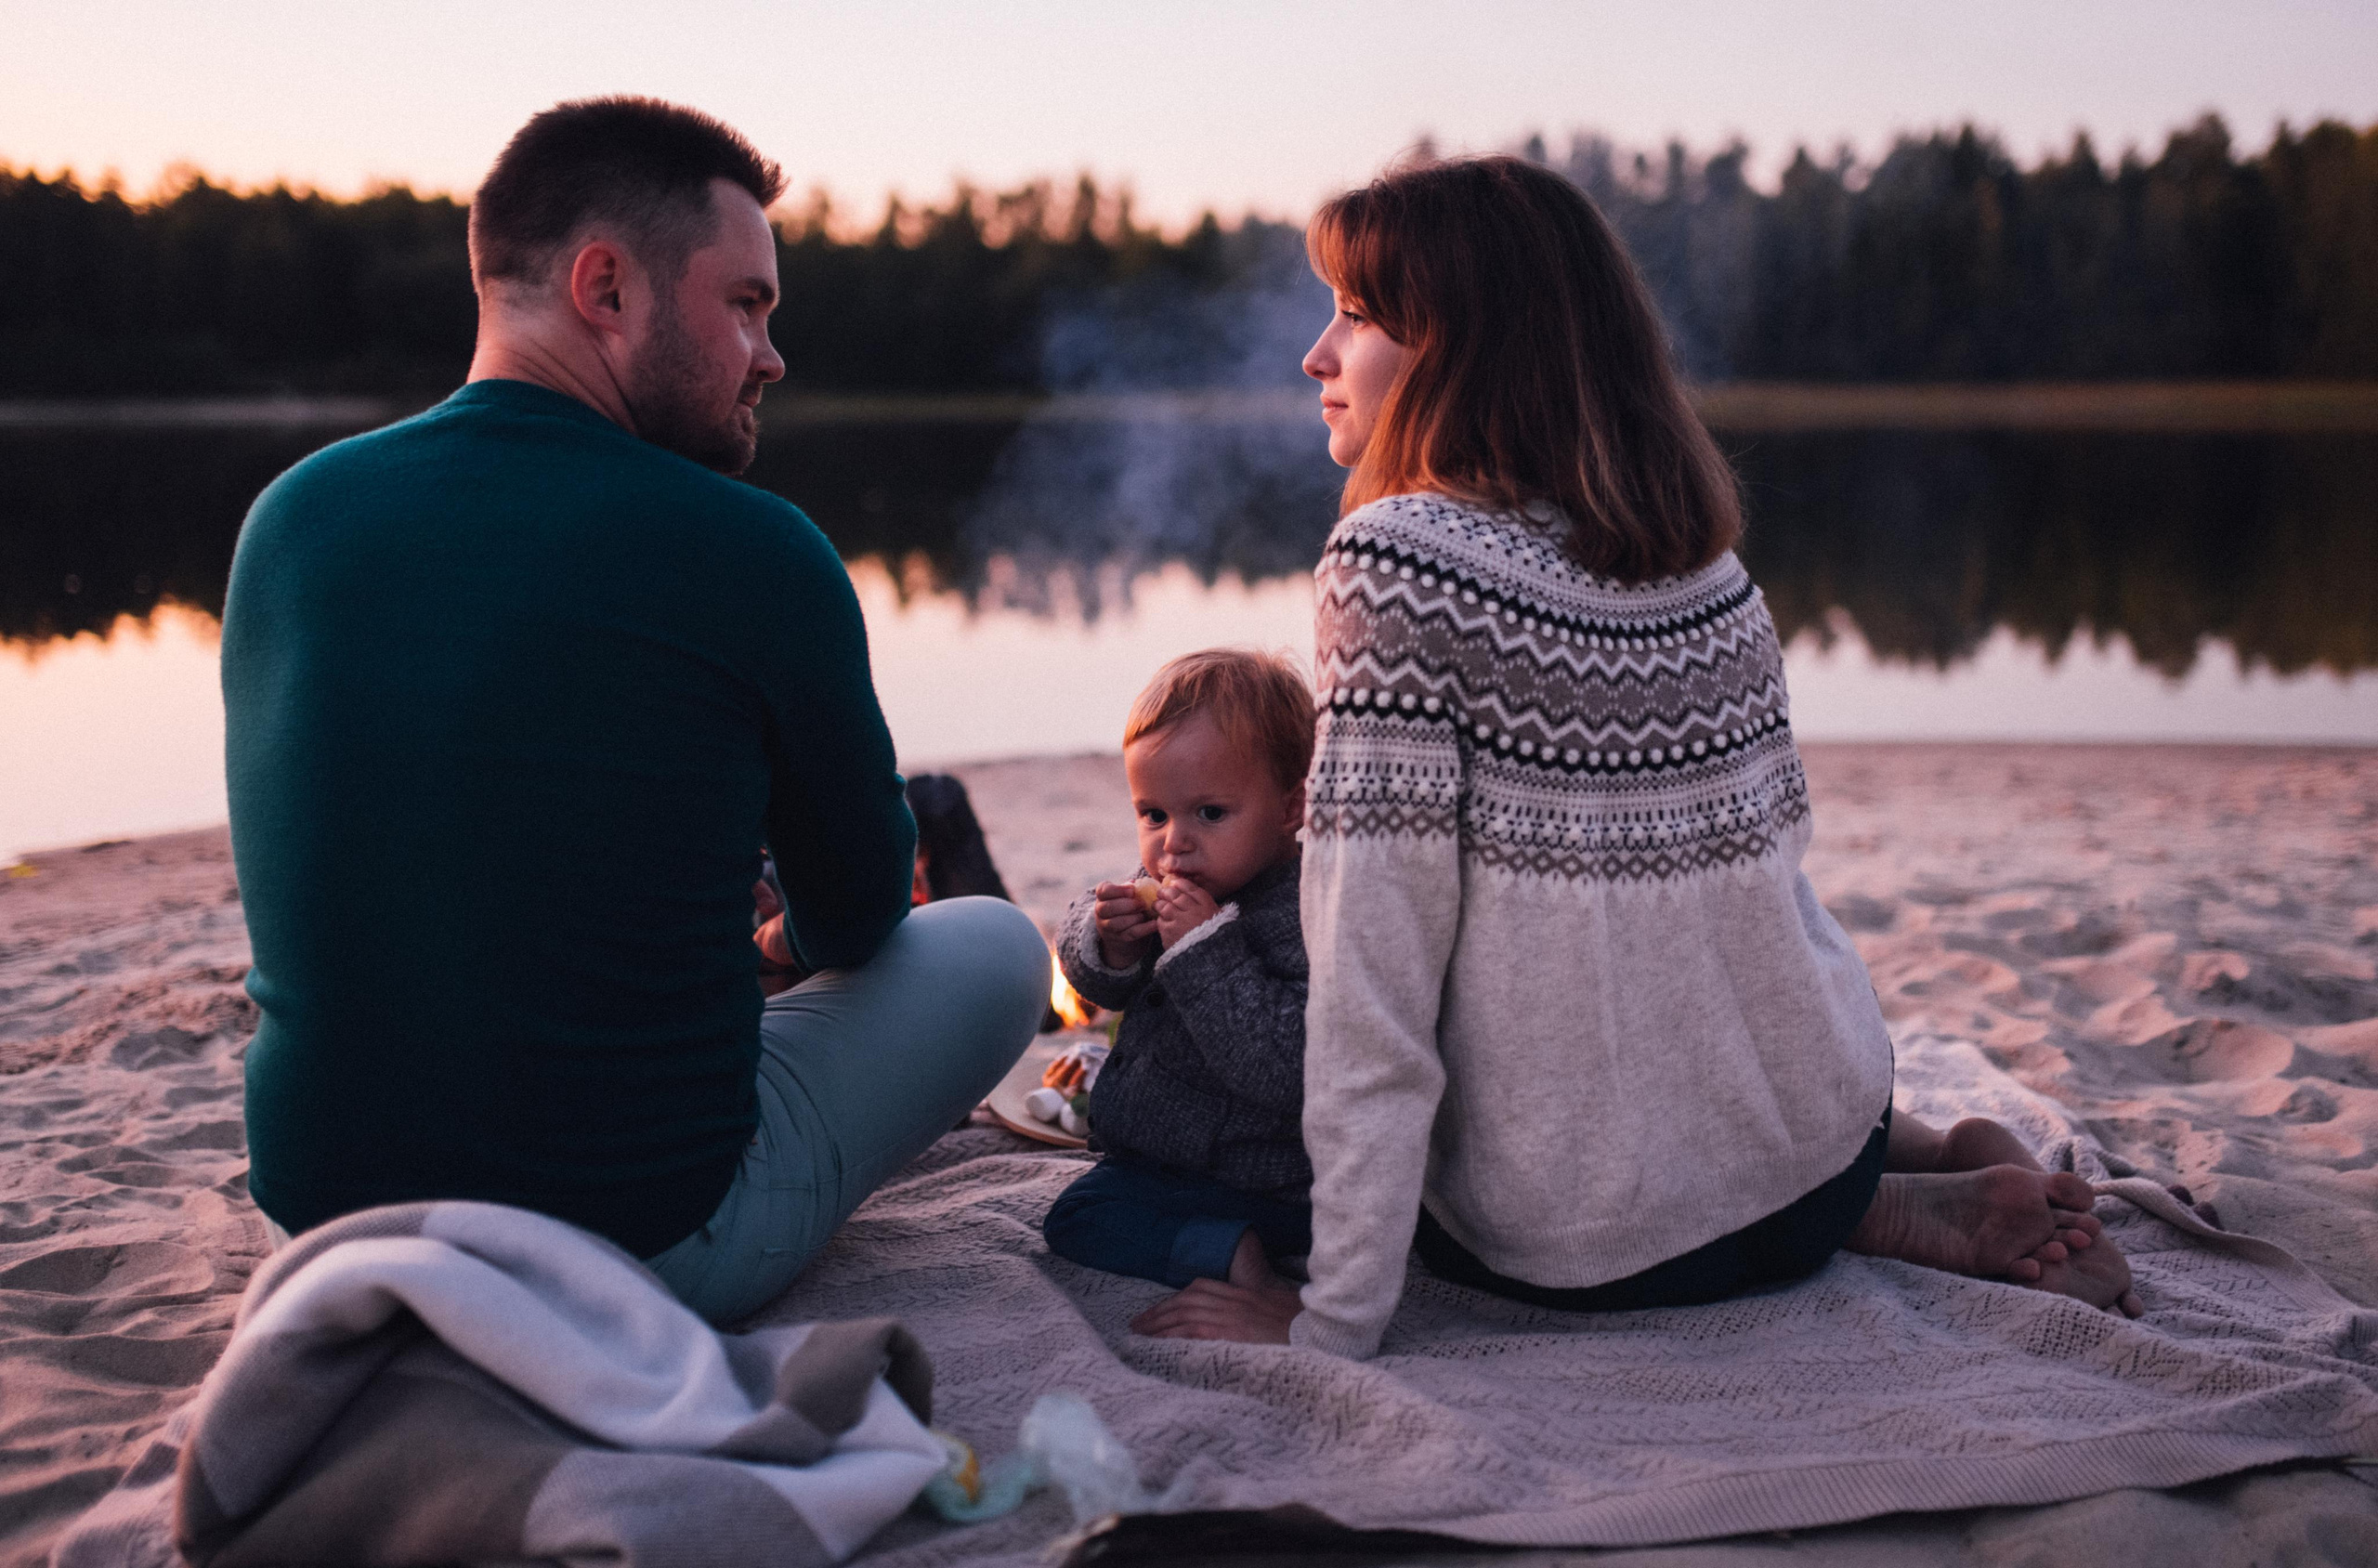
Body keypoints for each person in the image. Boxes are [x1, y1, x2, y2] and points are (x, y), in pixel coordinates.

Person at [1134, 156, 2138, 1353]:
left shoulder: (1396, 561)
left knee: (1237, 1146)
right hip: (1818, 1142)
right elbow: (1760, 901)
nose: (1316, 355)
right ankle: (1895, 1185)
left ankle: (1885, 1195)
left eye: (1354, 316)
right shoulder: (1702, 563)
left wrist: (1331, 1314)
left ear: (1462, 348)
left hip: (1584, 1249)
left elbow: (1374, 978)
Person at [221, 98, 1047, 1325]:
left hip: (321, 1213)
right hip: (641, 1238)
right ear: (606, 287)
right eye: (748, 304)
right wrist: (766, 939)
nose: (772, 354)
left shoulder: (291, 516)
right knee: (994, 945)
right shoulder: (753, 547)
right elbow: (864, 913)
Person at [1043, 650, 1314, 1319]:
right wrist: (1107, 940)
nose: (1174, 845)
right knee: (1075, 1217)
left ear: (1291, 807)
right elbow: (1094, 980)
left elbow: (1284, 1066)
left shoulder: (1305, 912)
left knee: (1095, 1215)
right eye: (1154, 814)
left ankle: (1232, 1253)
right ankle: (1223, 1247)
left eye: (1210, 813)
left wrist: (1201, 949)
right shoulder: (1176, 880)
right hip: (1160, 1163)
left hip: (1273, 1181)